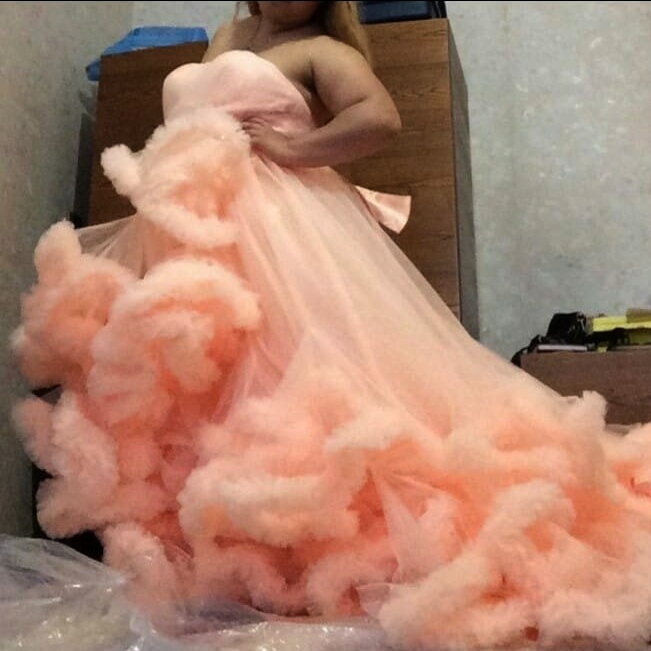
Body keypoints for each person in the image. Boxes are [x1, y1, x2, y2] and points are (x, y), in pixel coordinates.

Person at [11, 2, 651, 650]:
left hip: (278, 228)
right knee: (201, 384)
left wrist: (293, 148)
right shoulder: (230, 33)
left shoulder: (321, 48)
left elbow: (379, 118)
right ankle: (236, 559)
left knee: (289, 377)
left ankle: (306, 554)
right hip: (191, 228)